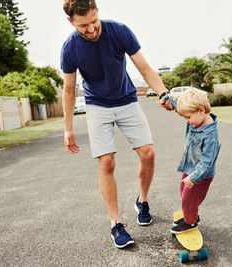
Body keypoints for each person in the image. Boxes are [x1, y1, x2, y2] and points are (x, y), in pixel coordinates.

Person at [60, 0, 171, 248]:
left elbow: (144, 68)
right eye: (83, 26)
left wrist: (163, 92)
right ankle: (116, 223)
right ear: (71, 22)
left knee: (148, 153)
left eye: (93, 22)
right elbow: (68, 90)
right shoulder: (70, 48)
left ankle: (142, 201)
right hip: (97, 104)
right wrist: (67, 128)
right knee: (107, 161)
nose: (90, 29)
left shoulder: (119, 31)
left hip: (127, 99)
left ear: (97, 12)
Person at [167, 89, 221, 234]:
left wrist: (194, 177)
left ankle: (190, 222)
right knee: (183, 193)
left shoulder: (211, 137)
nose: (187, 121)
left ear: (201, 110)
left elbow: (206, 163)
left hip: (200, 175)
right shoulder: (196, 120)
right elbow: (180, 104)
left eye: (188, 117)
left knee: (188, 200)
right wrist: (169, 98)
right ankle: (191, 215)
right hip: (189, 167)